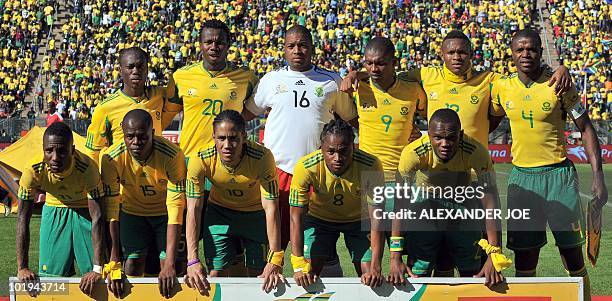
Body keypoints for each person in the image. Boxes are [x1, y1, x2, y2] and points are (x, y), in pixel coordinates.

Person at [343, 29, 572, 276]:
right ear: (441, 54)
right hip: (429, 186)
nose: (456, 57)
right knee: (433, 258)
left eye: (462, 52)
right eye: (451, 52)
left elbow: (523, 75)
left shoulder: (489, 80)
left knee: (475, 262)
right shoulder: (425, 76)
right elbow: (384, 73)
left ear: (472, 54)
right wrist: (358, 73)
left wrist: (558, 69)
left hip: (471, 186)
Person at [490, 29, 608, 301]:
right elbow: (488, 121)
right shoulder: (502, 87)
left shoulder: (559, 84)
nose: (525, 54)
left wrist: (598, 175)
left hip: (559, 177)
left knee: (572, 254)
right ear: (511, 53)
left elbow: (587, 128)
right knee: (524, 261)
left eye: (531, 49)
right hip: (522, 182)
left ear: (541, 52)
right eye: (519, 49)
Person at [244, 25, 357, 275]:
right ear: (284, 49)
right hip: (278, 171)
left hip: (318, 173)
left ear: (313, 48)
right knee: (276, 242)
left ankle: (327, 284)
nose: (297, 50)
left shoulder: (331, 81)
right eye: (291, 46)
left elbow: (352, 119)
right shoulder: (271, 80)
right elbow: (245, 115)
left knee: (317, 245)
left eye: (303, 45)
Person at [165, 19, 259, 275]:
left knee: (230, 244)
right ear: (200, 45)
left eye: (219, 41)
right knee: (186, 240)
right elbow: (163, 117)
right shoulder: (181, 77)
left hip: (228, 167)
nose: (214, 46)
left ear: (228, 45)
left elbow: (254, 113)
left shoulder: (247, 78)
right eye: (208, 41)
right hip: (190, 166)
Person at [387, 108, 509, 287]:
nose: (445, 143)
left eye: (451, 137)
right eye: (438, 137)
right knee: (419, 270)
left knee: (472, 270)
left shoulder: (477, 151)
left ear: (460, 134)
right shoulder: (412, 153)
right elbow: (400, 207)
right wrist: (394, 256)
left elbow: (491, 203)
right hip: (425, 203)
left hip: (462, 201)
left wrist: (495, 253)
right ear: (428, 135)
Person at [183, 110, 283, 294]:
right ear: (213, 137)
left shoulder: (262, 157)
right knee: (216, 273)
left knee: (260, 276)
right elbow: (193, 210)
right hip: (219, 213)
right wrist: (192, 260)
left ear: (244, 136)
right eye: (221, 138)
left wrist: (275, 257)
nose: (227, 145)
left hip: (255, 215)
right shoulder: (200, 159)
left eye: (233, 138)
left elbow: (271, 208)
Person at [100, 109, 186, 298]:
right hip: (132, 213)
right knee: (132, 263)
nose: (136, 142)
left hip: (165, 215)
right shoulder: (110, 157)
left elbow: (176, 208)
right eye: (130, 137)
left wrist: (170, 262)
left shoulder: (172, 155)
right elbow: (112, 209)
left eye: (142, 137)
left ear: (152, 134)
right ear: (123, 134)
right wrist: (114, 260)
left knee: (171, 267)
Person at [289, 118, 384, 287]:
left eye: (344, 151)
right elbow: (296, 217)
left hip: (358, 221)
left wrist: (376, 265)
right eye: (330, 151)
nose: (337, 158)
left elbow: (377, 218)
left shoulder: (371, 165)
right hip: (320, 220)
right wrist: (298, 263)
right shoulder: (306, 167)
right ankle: (328, 257)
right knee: (307, 273)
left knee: (370, 275)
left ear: (354, 147)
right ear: (321, 149)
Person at [16, 122, 105, 297]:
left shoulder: (88, 168)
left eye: (62, 151)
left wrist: (97, 267)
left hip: (84, 211)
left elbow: (98, 217)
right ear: (43, 149)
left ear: (72, 150)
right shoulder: (32, 170)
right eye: (49, 151)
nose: (55, 157)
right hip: (54, 208)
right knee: (51, 279)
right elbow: (22, 219)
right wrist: (22, 267)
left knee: (96, 279)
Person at [84, 47, 171, 166]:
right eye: (130, 67)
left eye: (140, 66)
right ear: (120, 70)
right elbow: (92, 151)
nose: (136, 71)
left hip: (156, 175)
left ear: (147, 69)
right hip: (121, 179)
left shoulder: (161, 95)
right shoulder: (105, 108)